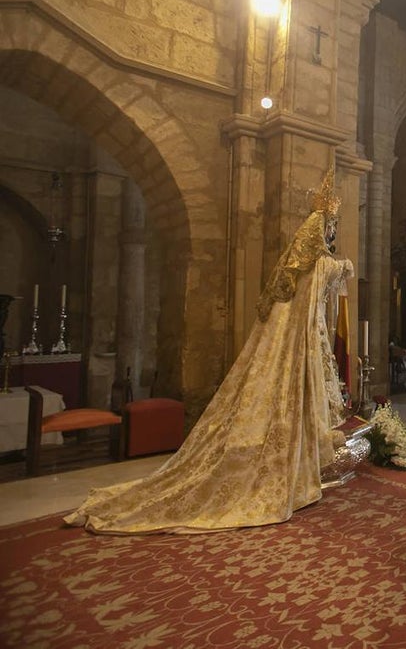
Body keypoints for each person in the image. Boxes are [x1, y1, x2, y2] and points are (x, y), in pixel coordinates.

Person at [67, 164, 358, 534]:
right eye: (330, 226)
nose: (331, 232)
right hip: (296, 347)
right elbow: (324, 274)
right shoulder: (309, 262)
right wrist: (344, 266)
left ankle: (303, 466)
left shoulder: (303, 263)